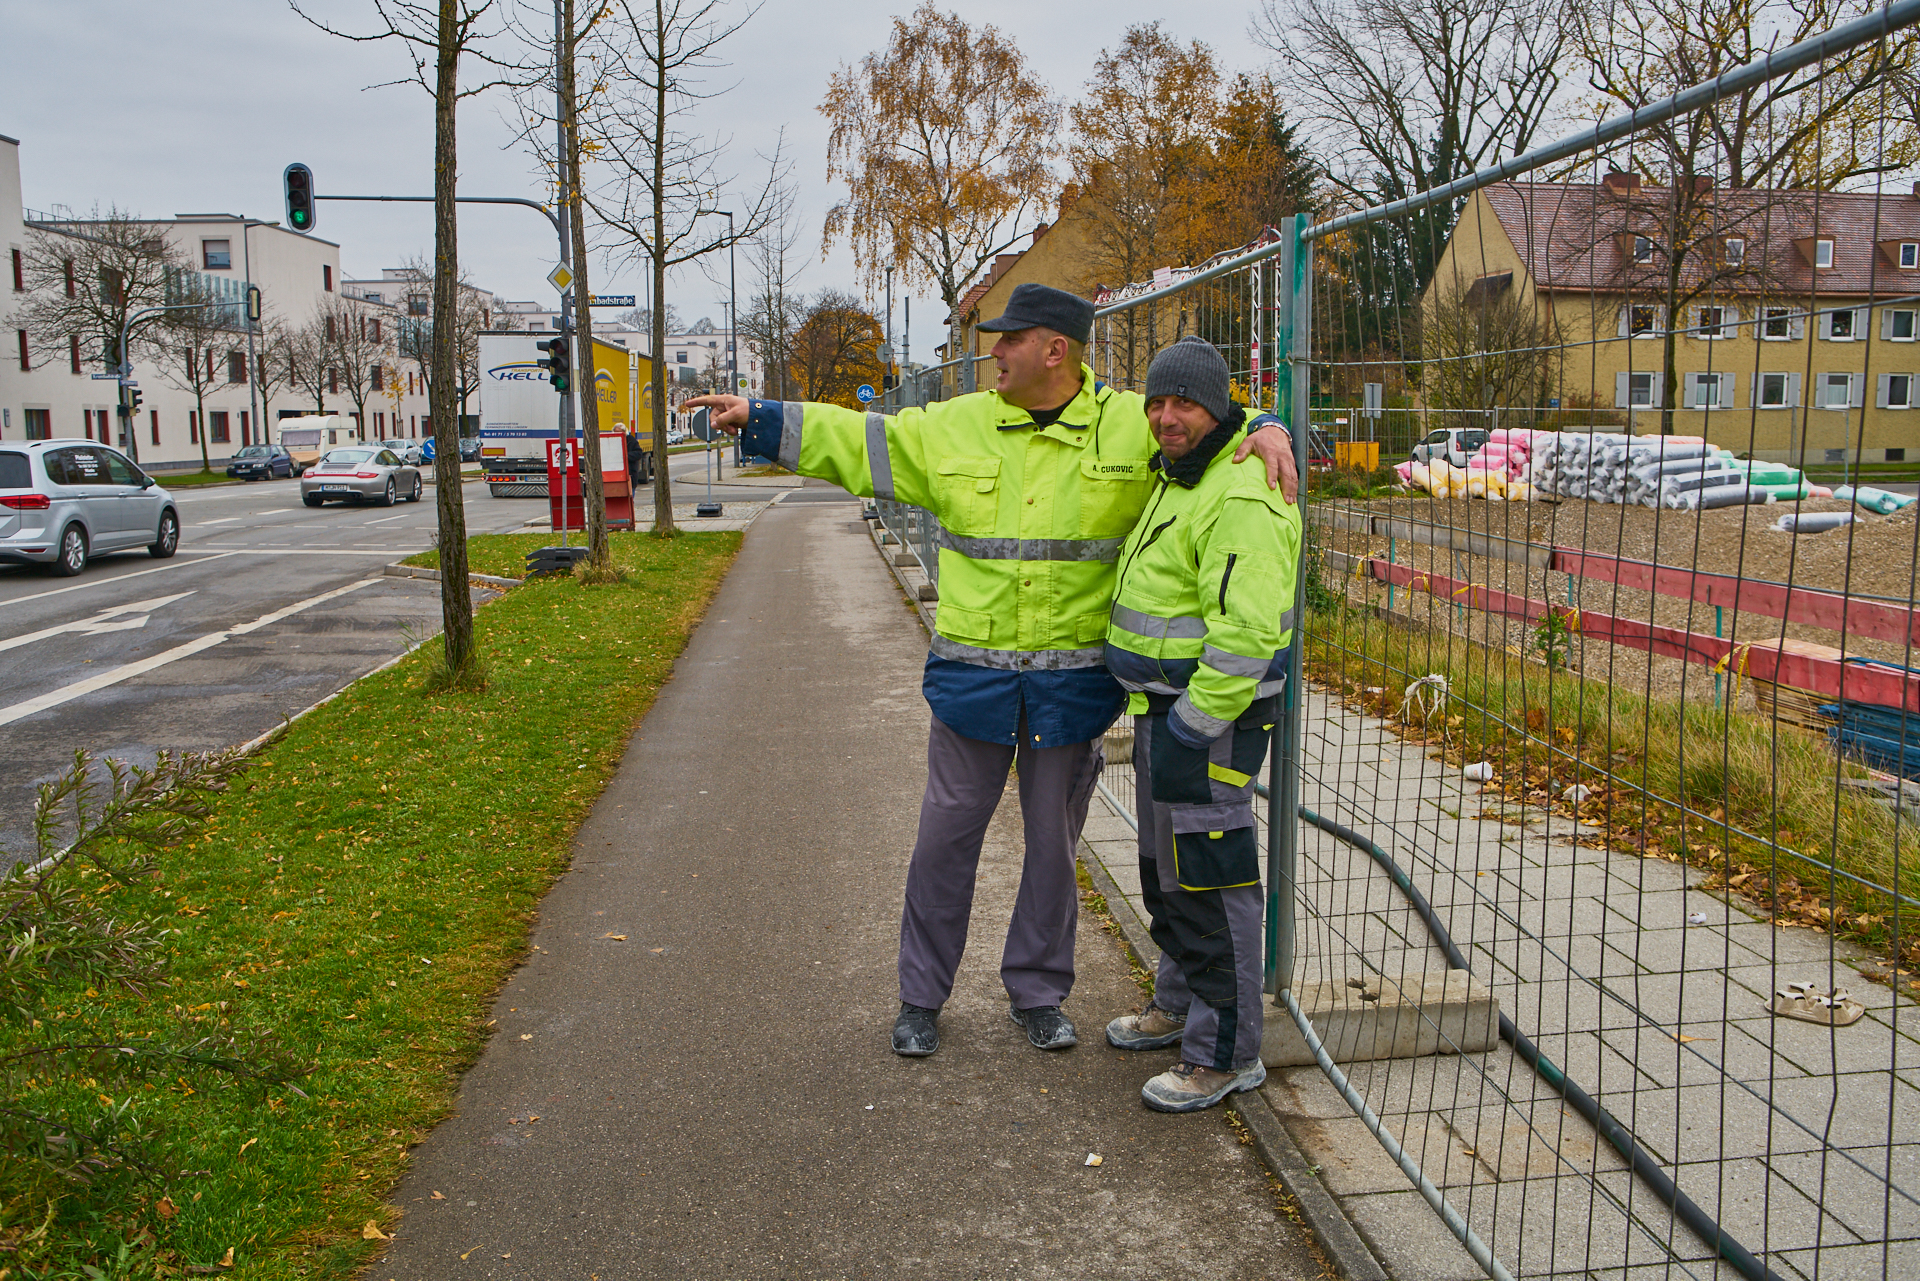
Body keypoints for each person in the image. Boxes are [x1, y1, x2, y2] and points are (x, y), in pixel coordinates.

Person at [684, 283, 1296, 1059]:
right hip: (972, 688)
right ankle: (920, 996)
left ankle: (1038, 993)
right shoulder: (959, 426)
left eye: (1009, 339)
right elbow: (866, 439)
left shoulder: (1130, 427)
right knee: (942, 845)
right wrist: (766, 418)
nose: (993, 351)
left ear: (1055, 351)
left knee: (1051, 853)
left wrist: (1270, 427)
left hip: (1072, 694)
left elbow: (1206, 433)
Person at [1100, 336, 1301, 1112]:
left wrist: (1189, 729)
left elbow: (1248, 635)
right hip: (1170, 713)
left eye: (1183, 402)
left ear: (1218, 408)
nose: (1164, 416)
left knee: (1212, 885)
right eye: (1156, 401)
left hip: (1210, 721)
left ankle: (1224, 1053)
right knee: (1168, 875)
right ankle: (1179, 1003)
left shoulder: (1241, 490)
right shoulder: (1179, 474)